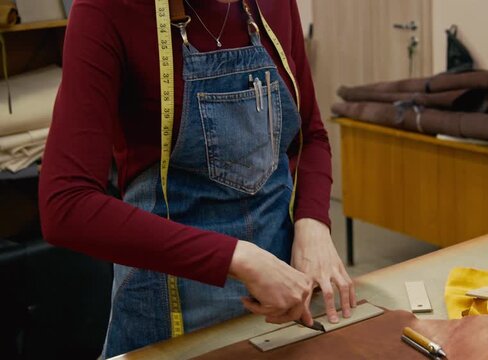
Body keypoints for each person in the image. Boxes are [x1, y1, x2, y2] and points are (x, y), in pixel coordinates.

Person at [38, 0, 355, 357]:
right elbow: (66, 205)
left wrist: (313, 226)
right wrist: (239, 258)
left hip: (282, 299)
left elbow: (310, 134)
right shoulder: (108, 9)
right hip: (169, 309)